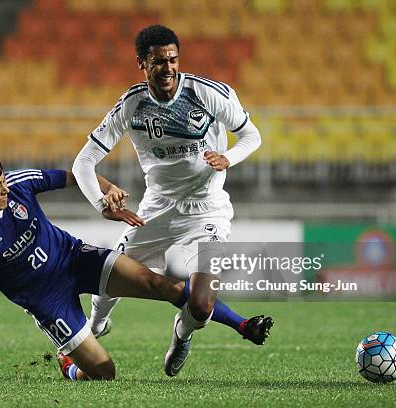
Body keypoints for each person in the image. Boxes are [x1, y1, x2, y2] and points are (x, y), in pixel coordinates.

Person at [72, 24, 273, 376]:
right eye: (158, 62)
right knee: (110, 274)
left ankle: (182, 334)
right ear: (142, 64)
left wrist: (229, 158)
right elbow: (83, 162)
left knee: (200, 303)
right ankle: (97, 325)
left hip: (208, 209)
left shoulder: (208, 94)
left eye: (173, 60)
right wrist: (102, 203)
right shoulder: (132, 104)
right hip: (156, 209)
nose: (167, 69)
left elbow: (251, 135)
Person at [0, 144, 204, 383]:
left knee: (159, 284)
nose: (5, 189)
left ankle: (226, 325)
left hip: (73, 258)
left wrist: (107, 189)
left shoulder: (18, 183)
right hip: (46, 300)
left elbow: (75, 176)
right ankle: (67, 364)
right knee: (104, 374)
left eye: (3, 181)